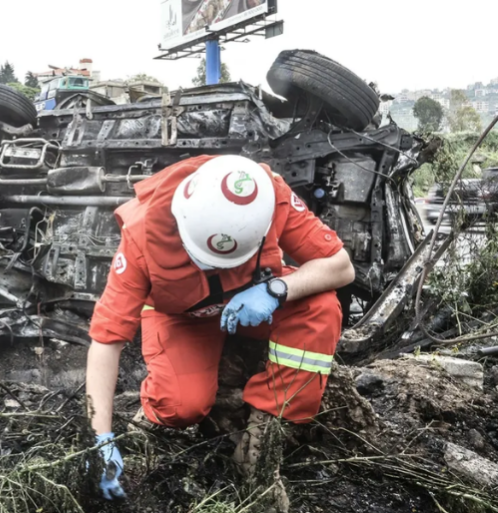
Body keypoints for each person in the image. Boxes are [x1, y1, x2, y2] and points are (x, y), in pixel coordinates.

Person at [85, 155, 355, 508]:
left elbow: (341, 266)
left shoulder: (268, 195)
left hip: (255, 305)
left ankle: (259, 448)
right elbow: (106, 340)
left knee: (320, 308)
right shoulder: (141, 234)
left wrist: (276, 291)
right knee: (181, 406)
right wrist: (100, 437)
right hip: (182, 317)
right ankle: (150, 419)